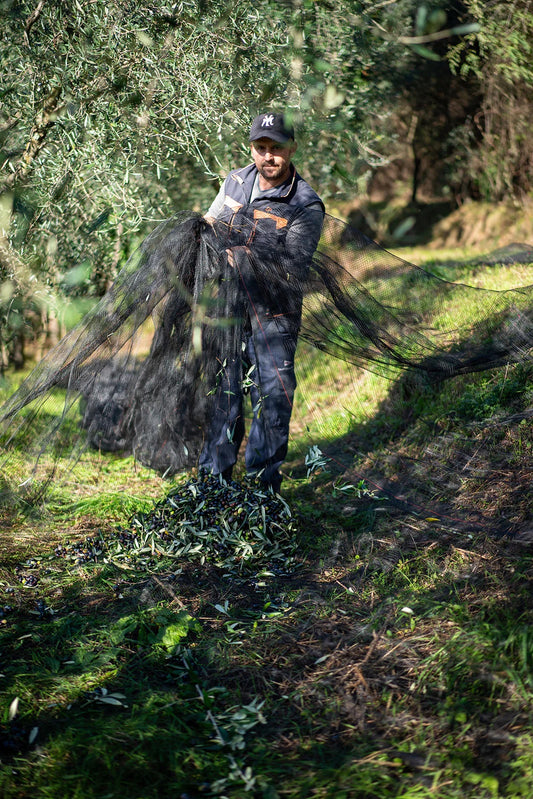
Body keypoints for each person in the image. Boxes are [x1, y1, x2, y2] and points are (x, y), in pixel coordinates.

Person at [198, 112, 325, 492]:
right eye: (261, 148)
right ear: (251, 148)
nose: (268, 157)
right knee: (224, 393)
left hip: (275, 315)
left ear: (292, 149)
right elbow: (212, 221)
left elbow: (293, 268)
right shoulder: (235, 180)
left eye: (276, 149)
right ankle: (212, 487)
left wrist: (245, 256)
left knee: (272, 397)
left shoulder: (306, 204)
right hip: (229, 308)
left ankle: (261, 494)